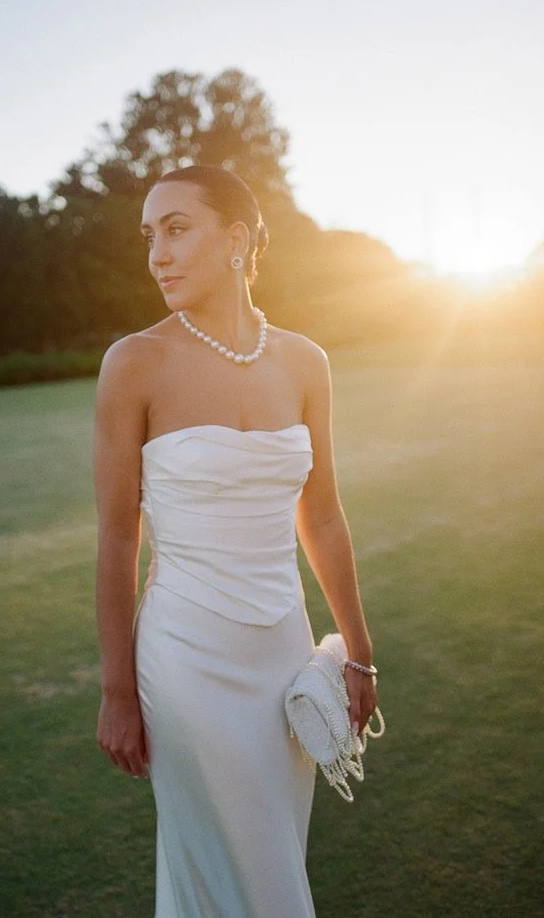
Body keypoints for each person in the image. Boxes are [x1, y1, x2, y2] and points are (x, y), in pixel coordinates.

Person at [94, 165, 377, 917]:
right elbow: (118, 535)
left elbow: (322, 514)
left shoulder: (305, 362)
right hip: (184, 657)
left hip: (283, 653)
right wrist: (117, 691)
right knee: (243, 870)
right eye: (149, 237)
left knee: (274, 852)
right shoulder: (134, 363)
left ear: (236, 239)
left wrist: (357, 650)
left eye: (176, 229)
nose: (157, 254)